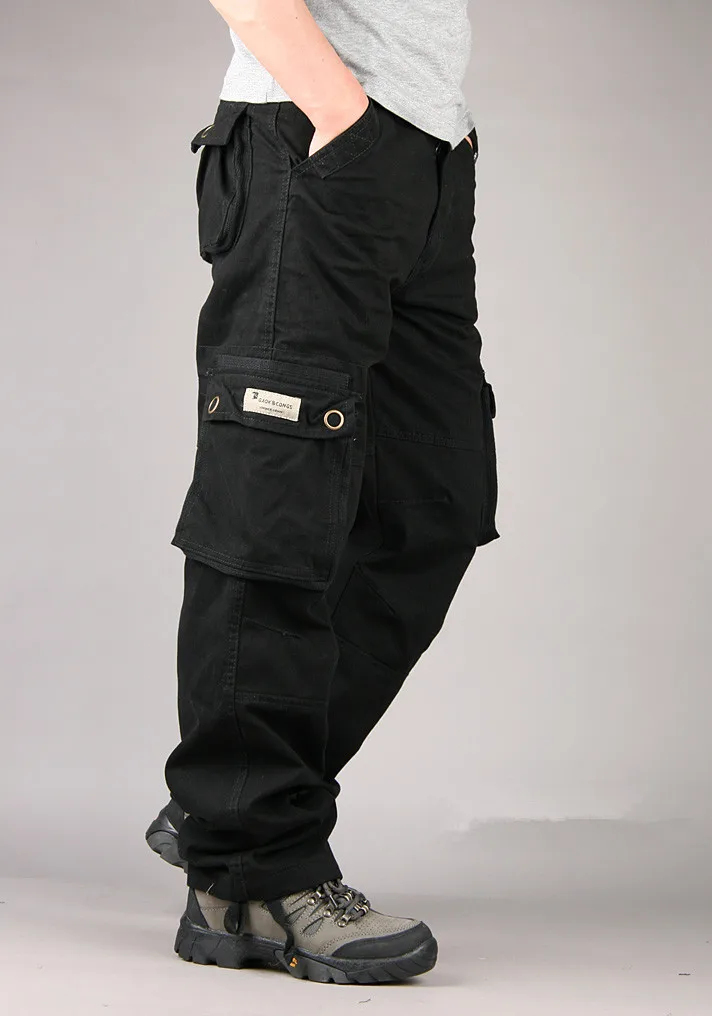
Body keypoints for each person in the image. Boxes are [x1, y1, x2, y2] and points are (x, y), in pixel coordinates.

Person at [149, 0, 499, 985]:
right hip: (314, 137)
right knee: (274, 508)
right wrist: (343, 115)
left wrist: (421, 138)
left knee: (435, 499)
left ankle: (232, 794)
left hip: (426, 153)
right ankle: (249, 872)